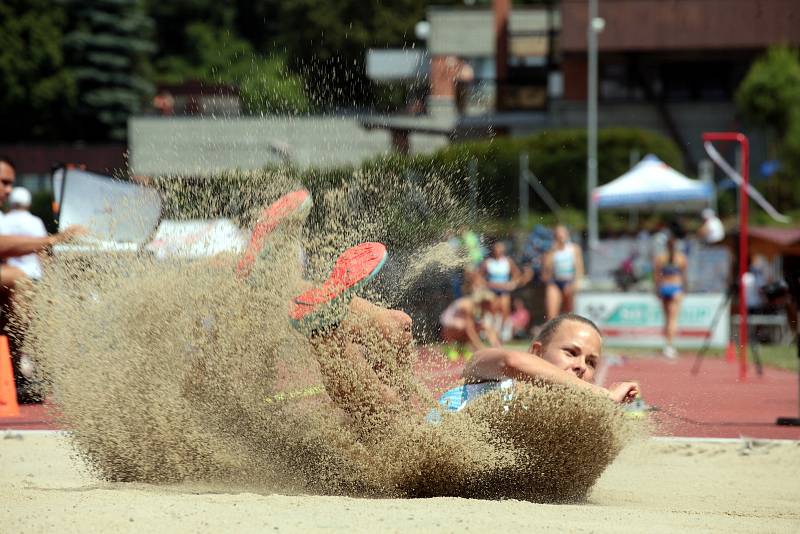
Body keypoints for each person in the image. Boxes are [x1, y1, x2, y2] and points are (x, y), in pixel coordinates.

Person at [0, 187, 48, 280]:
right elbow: (42, 249)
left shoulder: (4, 220)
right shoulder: (36, 222)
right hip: (34, 274)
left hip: (10, 277)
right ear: (29, 203)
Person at [653, 231, 687, 359]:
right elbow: (684, 276)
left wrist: (657, 289)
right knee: (673, 319)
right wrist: (684, 290)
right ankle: (669, 345)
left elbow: (656, 276)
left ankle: (667, 345)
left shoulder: (660, 257)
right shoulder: (681, 257)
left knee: (667, 319)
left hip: (664, 287)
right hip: (675, 288)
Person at [479, 241, 522, 342]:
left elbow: (517, 274)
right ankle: (491, 334)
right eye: (496, 249)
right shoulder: (488, 262)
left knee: (504, 310)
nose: (498, 251)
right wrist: (486, 284)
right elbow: (479, 276)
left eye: (500, 249)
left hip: (503, 291)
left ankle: (502, 334)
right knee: (492, 311)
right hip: (492, 290)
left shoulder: (508, 262)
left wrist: (512, 283)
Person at [439, 289, 500, 358]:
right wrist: (481, 348)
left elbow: (486, 328)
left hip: (461, 327)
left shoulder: (480, 309)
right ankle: (449, 347)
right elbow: (469, 329)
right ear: (484, 302)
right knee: (462, 326)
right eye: (489, 304)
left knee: (482, 326)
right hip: (448, 327)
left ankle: (462, 348)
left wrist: (497, 347)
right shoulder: (467, 305)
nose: (491, 306)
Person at [542, 225, 584, 320]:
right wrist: (553, 251)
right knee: (551, 314)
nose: (560, 237)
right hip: (555, 282)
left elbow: (579, 268)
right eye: (558, 235)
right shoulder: (552, 250)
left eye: (562, 234)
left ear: (567, 235)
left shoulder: (574, 248)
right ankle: (552, 331)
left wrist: (576, 283)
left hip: (569, 281)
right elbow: (546, 268)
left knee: (568, 313)